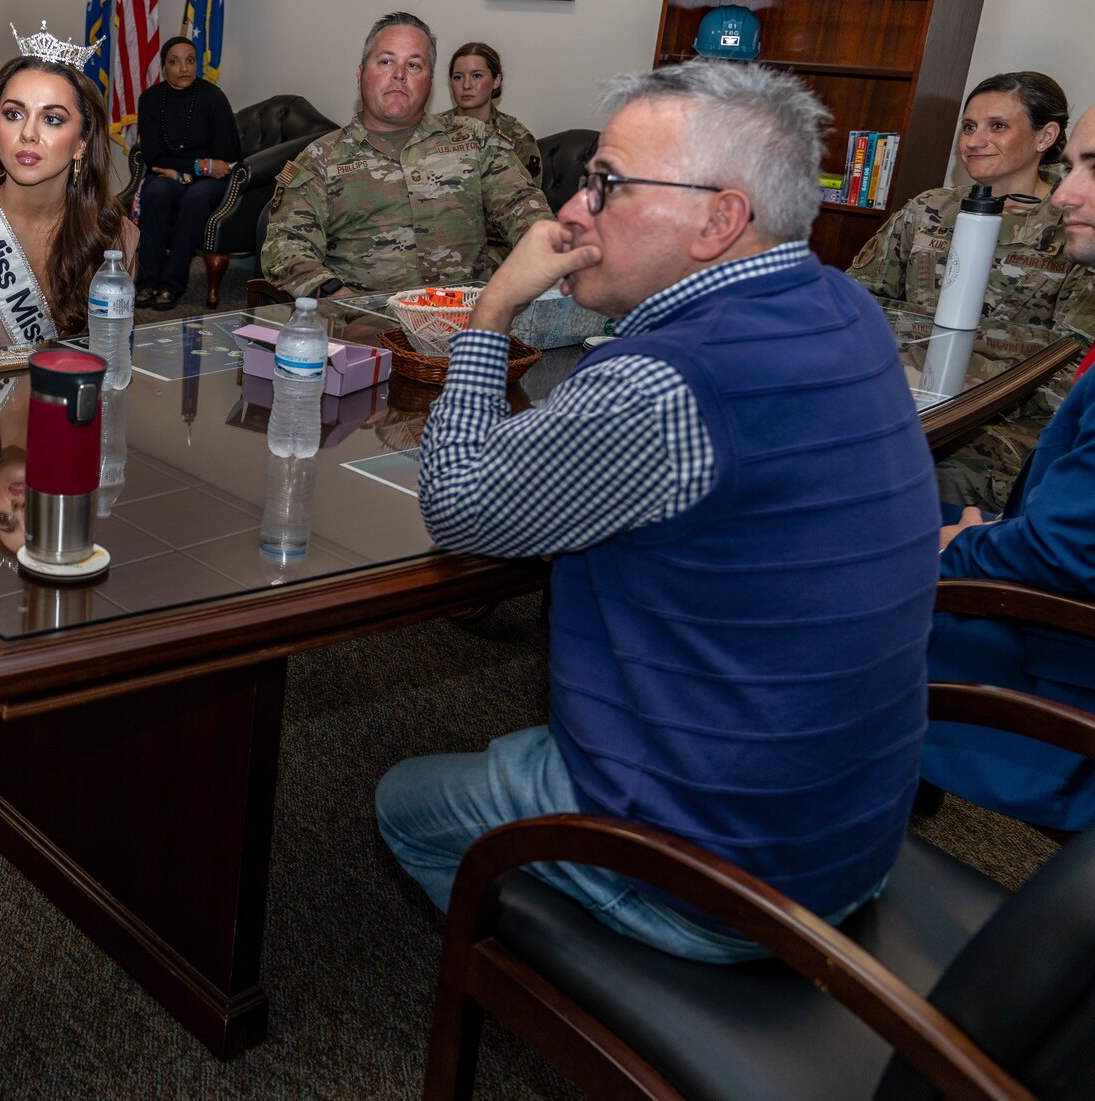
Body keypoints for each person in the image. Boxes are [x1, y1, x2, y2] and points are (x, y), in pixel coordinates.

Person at [378, 59, 941, 962]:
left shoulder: (665, 386)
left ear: (720, 220)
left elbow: (458, 504)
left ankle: (577, 995)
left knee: (401, 799)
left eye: (605, 185)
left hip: (723, 872)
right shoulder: (843, 302)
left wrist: (489, 314)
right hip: (850, 827)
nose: (571, 210)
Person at [924, 105, 1095, 832]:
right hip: (1044, 585)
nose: (1065, 193)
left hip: (1059, 669)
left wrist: (961, 547)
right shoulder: (925, 211)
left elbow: (1066, 550)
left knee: (814, 588)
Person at [849, 72, 1093, 510]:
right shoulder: (928, 211)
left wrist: (965, 384)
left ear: (1046, 136)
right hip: (901, 397)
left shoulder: (1076, 230)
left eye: (998, 126)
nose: (976, 140)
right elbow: (854, 302)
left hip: (1009, 420)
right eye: (969, 126)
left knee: (914, 474)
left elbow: (1074, 369)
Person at [260, 11, 549, 300]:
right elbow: (285, 247)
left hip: (465, 318)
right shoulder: (321, 159)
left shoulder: (473, 140)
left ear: (430, 82)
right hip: (366, 321)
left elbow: (525, 209)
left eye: (414, 65)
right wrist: (341, 303)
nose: (399, 74)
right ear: (361, 75)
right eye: (386, 61)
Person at [0, 24, 138, 358]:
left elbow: (114, 358)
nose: (28, 133)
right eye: (14, 114)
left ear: (81, 144)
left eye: (53, 119)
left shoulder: (115, 238)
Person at [132, 36, 240, 310]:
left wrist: (184, 169)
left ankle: (172, 284)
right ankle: (147, 281)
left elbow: (227, 154)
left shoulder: (212, 96)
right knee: (155, 191)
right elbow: (154, 156)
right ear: (164, 67)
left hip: (210, 182)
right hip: (175, 176)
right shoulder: (150, 99)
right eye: (175, 61)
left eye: (190, 61)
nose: (183, 68)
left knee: (195, 199)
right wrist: (198, 165)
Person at [441, 41, 543, 183]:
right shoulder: (432, 129)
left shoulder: (517, 137)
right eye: (458, 77)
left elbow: (530, 198)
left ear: (496, 80)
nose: (466, 85)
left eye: (476, 76)